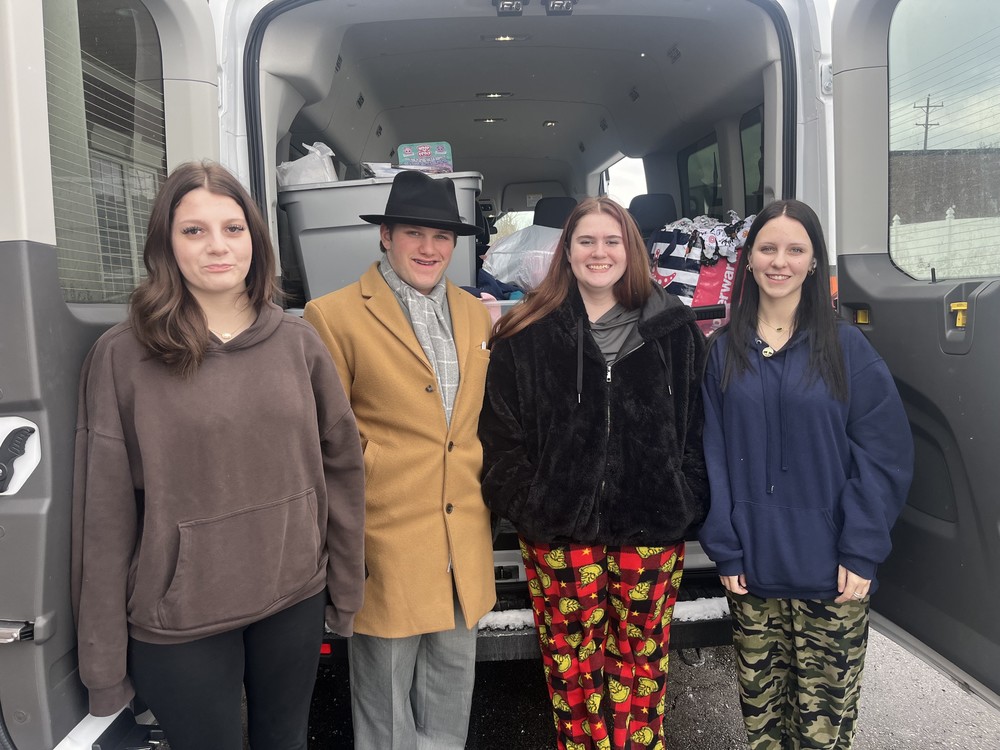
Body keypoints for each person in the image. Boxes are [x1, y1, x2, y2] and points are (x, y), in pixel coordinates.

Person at [71, 161, 366, 750]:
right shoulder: (123, 356)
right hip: (179, 616)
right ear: (165, 243)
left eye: (233, 229)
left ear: (256, 239)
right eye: (193, 230)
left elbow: (342, 467)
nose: (217, 247)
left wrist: (346, 582)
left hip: (293, 595)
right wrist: (101, 662)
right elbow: (102, 516)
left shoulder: (298, 343)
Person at [479, 196, 709, 750]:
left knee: (641, 671)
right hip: (559, 536)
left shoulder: (675, 331)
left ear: (630, 249)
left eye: (612, 241)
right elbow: (500, 438)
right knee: (572, 677)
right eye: (586, 241)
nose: (599, 252)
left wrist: (685, 499)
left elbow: (700, 432)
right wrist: (534, 506)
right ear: (567, 251)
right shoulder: (525, 331)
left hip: (651, 533)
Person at [698, 199, 914, 749]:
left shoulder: (847, 350)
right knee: (764, 732)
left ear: (814, 262)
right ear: (747, 260)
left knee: (822, 735)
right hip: (754, 571)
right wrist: (726, 548)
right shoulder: (723, 353)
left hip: (832, 575)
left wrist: (862, 547)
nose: (780, 261)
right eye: (768, 248)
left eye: (796, 249)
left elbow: (884, 454)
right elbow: (712, 455)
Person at [303, 169, 496, 750]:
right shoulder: (332, 315)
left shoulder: (473, 313)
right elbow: (325, 441)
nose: (429, 249)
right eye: (414, 233)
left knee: (449, 696)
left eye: (442, 237)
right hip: (385, 540)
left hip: (462, 539)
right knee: (384, 710)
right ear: (385, 236)